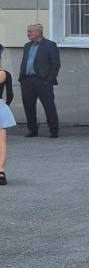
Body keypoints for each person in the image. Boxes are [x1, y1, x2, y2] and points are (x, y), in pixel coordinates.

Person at [18, 23, 61, 138]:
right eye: (28, 31)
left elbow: (56, 64)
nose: (28, 34)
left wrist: (49, 80)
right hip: (27, 80)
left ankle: (54, 130)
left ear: (38, 32)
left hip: (43, 81)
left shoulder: (50, 45)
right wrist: (22, 78)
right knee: (29, 106)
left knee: (49, 106)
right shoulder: (27, 46)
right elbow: (25, 62)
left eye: (30, 31)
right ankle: (32, 130)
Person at [0, 46, 15, 186]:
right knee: (2, 141)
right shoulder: (5, 74)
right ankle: (1, 171)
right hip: (0, 108)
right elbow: (10, 95)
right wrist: (5, 106)